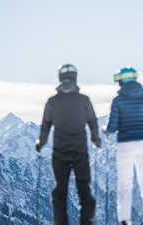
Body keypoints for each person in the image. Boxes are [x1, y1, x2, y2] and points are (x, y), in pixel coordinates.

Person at [36, 64, 101, 225]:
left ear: (60, 78)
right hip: (80, 152)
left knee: (60, 193)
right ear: (75, 78)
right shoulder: (84, 100)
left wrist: (41, 143)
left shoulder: (52, 101)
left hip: (60, 153)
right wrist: (95, 139)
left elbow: (46, 126)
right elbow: (92, 122)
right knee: (84, 191)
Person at [104, 66, 143, 225]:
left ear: (121, 81)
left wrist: (105, 130)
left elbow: (112, 127)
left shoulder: (118, 101)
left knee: (124, 184)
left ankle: (124, 220)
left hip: (125, 145)